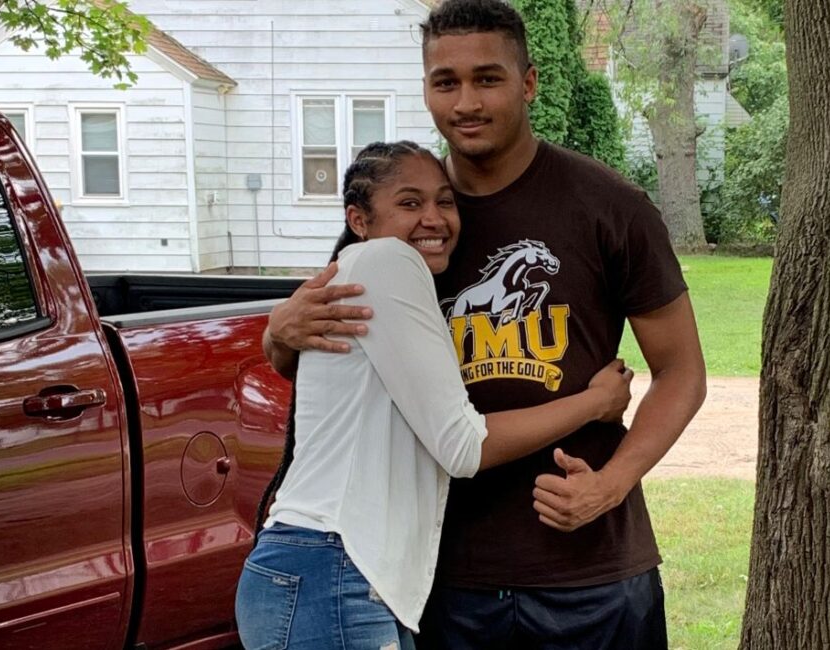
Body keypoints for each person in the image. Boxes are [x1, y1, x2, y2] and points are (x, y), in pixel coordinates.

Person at [263, 1, 708, 647]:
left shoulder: (610, 207)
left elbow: (682, 372)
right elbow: (318, 354)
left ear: (528, 82)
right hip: (439, 578)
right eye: (446, 82)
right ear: (426, 90)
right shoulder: (399, 221)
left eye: (487, 78)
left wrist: (611, 485)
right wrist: (279, 330)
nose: (466, 101)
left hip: (590, 572)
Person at [236, 141, 634, 650]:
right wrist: (595, 402)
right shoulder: (387, 261)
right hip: (334, 569)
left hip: (342, 575)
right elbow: (464, 446)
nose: (434, 218)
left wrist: (275, 335)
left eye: (445, 202)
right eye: (409, 203)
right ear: (358, 219)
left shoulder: (368, 273)